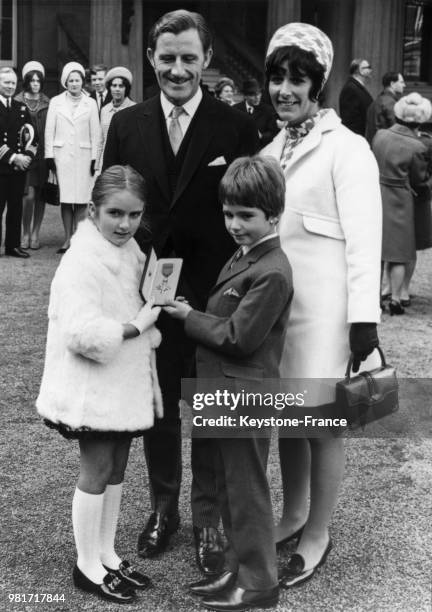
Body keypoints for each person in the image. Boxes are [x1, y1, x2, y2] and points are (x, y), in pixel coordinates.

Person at [103, 8, 258, 574]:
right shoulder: (126, 124)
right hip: (149, 295)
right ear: (151, 59)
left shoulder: (235, 125)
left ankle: (208, 518)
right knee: (162, 407)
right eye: (167, 57)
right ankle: (164, 508)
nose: (177, 68)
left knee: (214, 410)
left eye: (188, 57)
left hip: (217, 294)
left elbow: (251, 210)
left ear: (207, 60)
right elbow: (112, 210)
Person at [262, 23, 382, 587]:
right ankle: (293, 513)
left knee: (323, 423)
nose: (284, 89)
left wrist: (364, 322)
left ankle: (319, 532)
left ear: (319, 84)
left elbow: (365, 239)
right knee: (290, 418)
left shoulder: (347, 148)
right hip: (280, 313)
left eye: (297, 79)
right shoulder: (268, 148)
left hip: (328, 315)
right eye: (277, 78)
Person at [164, 155, 292, 612]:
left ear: (273, 215)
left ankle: (259, 582)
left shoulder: (272, 269)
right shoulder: (247, 255)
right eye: (228, 214)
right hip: (223, 389)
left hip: (244, 394)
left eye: (246, 216)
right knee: (225, 486)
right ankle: (237, 572)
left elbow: (239, 337)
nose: (234, 224)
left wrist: (188, 317)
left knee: (246, 489)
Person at [36, 165, 162, 604]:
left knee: (116, 468)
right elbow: (81, 332)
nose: (125, 224)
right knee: (95, 470)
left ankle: (106, 552)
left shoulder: (128, 251)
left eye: (134, 215)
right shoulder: (82, 257)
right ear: (92, 210)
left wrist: (153, 307)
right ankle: (86, 564)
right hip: (93, 387)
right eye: (114, 214)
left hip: (120, 384)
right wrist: (134, 327)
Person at [372, 93, 432, 315]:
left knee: (376, 251)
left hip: (378, 192)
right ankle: (396, 298)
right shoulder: (417, 147)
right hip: (401, 199)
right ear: (419, 120)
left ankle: (375, 295)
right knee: (399, 253)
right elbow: (420, 180)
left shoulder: (379, 136)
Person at [45, 61, 99, 254]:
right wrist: (49, 156)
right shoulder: (56, 102)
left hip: (84, 157)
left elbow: (96, 133)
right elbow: (49, 130)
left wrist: (95, 159)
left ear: (82, 82)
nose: (74, 83)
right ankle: (67, 238)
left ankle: (79, 238)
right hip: (62, 157)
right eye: (71, 80)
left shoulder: (90, 103)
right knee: (67, 199)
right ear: (65, 82)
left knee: (82, 199)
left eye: (77, 80)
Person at [0, 67, 37, 258]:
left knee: (16, 207)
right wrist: (15, 157)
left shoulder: (20, 108)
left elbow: (33, 137)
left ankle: (13, 246)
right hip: (2, 167)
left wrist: (27, 158)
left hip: (17, 170)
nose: (10, 86)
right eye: (6, 82)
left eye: (13, 83)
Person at [15, 61, 50, 250]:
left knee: (40, 195)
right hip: (25, 155)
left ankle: (36, 233)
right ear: (26, 81)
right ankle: (25, 232)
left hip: (43, 155)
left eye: (38, 81)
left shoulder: (48, 102)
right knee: (27, 195)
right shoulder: (18, 101)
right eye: (32, 80)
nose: (35, 84)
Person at [96, 67, 135, 171]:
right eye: (114, 85)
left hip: (126, 163)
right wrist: (97, 166)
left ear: (126, 88)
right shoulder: (105, 110)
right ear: (109, 88)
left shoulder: (134, 109)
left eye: (121, 86)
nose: (117, 89)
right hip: (107, 162)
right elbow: (100, 140)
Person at [234, 78, 279, 146]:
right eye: (253, 95)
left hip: (260, 149)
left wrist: (261, 136)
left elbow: (273, 132)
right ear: (245, 96)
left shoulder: (268, 110)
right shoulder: (235, 109)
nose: (257, 97)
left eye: (258, 94)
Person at [365, 71, 405, 144]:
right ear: (392, 84)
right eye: (401, 82)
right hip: (385, 146)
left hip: (374, 146)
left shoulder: (376, 101)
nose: (404, 85)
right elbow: (396, 130)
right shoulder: (389, 102)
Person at [339, 58, 373, 135]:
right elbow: (350, 121)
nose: (371, 70)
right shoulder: (350, 89)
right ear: (360, 70)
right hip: (356, 137)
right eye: (369, 67)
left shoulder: (356, 87)